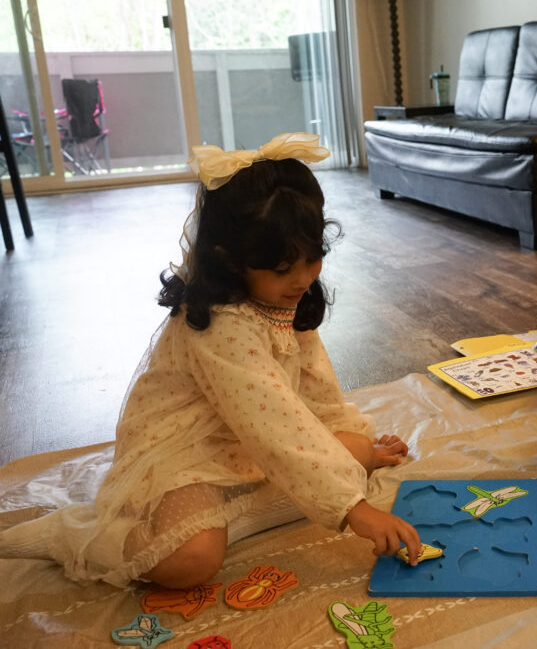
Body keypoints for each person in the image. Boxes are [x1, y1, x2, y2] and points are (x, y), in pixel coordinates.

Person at [0, 132, 421, 587]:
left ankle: (237, 517)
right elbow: (276, 426)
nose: (302, 279)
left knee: (353, 453)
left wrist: (350, 454)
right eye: (283, 269)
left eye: (313, 258)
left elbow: (313, 388)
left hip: (247, 442)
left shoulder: (282, 294)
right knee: (193, 559)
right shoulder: (221, 324)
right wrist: (352, 507)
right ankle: (75, 535)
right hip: (189, 450)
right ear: (228, 258)